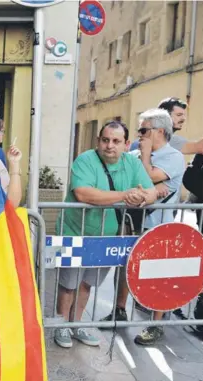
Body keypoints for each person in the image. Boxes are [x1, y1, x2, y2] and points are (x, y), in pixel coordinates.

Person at [54, 121, 157, 349]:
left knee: (87, 284)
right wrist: (124, 194)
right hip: (75, 231)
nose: (110, 145)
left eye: (116, 141)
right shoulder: (85, 160)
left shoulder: (132, 162)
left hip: (106, 235)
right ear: (98, 141)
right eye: (105, 140)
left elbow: (151, 192)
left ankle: (76, 324)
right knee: (69, 283)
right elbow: (83, 194)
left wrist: (140, 197)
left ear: (126, 144)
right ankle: (60, 325)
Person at [132, 108, 185, 345]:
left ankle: (156, 325)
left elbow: (145, 179)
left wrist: (144, 158)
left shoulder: (173, 156)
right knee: (128, 270)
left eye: (144, 130)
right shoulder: (137, 153)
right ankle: (120, 310)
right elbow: (135, 180)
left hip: (159, 226)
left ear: (159, 131)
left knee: (159, 277)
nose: (139, 135)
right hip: (135, 223)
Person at [130, 97, 203, 155]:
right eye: (179, 115)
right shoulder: (165, 138)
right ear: (166, 116)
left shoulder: (138, 142)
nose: (183, 118)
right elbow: (202, 147)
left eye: (184, 115)